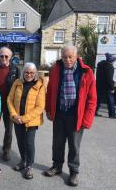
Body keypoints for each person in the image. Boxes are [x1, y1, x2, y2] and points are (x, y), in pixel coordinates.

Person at [43, 45, 97, 187]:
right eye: (64, 57)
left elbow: (92, 98)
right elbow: (50, 91)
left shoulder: (86, 71)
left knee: (74, 145)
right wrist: (48, 109)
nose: (67, 60)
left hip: (76, 116)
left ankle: (74, 171)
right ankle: (57, 166)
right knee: (58, 143)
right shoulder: (56, 69)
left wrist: (87, 119)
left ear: (76, 56)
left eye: (70, 57)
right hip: (60, 114)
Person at [7, 62, 45, 179]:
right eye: (27, 72)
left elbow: (40, 107)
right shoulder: (17, 83)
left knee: (29, 143)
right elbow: (10, 99)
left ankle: (29, 166)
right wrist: (14, 115)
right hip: (17, 119)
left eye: (32, 73)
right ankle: (23, 160)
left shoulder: (39, 86)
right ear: (23, 73)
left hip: (30, 121)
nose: (29, 75)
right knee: (20, 141)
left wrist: (23, 119)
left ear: (35, 74)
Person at [0, 46, 20, 161]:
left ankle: (6, 151)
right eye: (2, 56)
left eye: (6, 56)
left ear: (10, 57)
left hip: (9, 104)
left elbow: (18, 88)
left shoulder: (15, 69)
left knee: (9, 129)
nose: (4, 58)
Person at [95, 53, 116, 118]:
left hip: (99, 85)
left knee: (97, 100)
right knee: (110, 101)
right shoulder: (110, 67)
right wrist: (112, 88)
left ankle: (94, 112)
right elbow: (109, 79)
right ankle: (112, 114)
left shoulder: (100, 65)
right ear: (111, 61)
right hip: (107, 87)